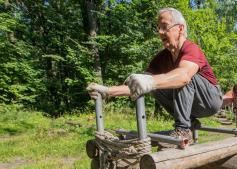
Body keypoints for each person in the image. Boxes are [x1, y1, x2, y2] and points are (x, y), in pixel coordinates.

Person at [86, 8, 222, 144]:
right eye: (158, 28)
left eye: (164, 27)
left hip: (211, 100)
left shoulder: (191, 48)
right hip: (192, 105)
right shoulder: (161, 58)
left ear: (180, 28)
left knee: (179, 79)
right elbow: (137, 85)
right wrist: (108, 91)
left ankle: (183, 129)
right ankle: (189, 122)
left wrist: (150, 81)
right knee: (154, 84)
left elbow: (184, 76)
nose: (160, 32)